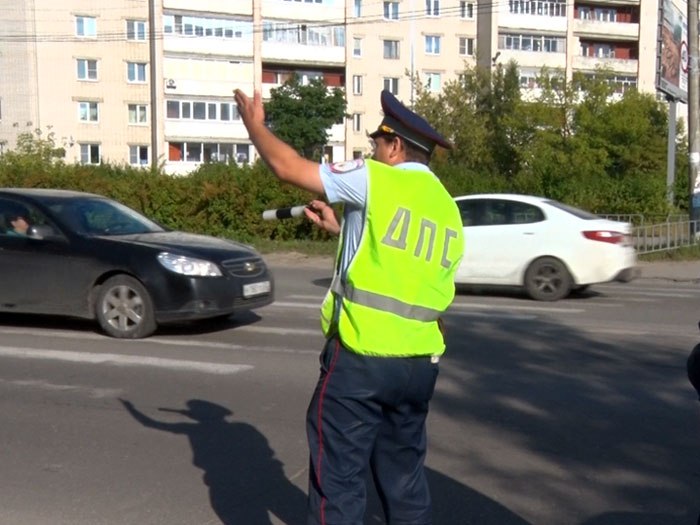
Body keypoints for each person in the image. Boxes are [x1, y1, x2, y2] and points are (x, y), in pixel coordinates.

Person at [234, 87, 465, 525]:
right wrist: (342, 229)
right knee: (405, 482)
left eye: (377, 143)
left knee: (338, 482)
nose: (372, 151)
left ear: (395, 145)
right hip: (419, 366)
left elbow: (286, 167)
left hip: (362, 360)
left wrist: (255, 125)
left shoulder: (375, 177)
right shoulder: (447, 207)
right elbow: (402, 266)